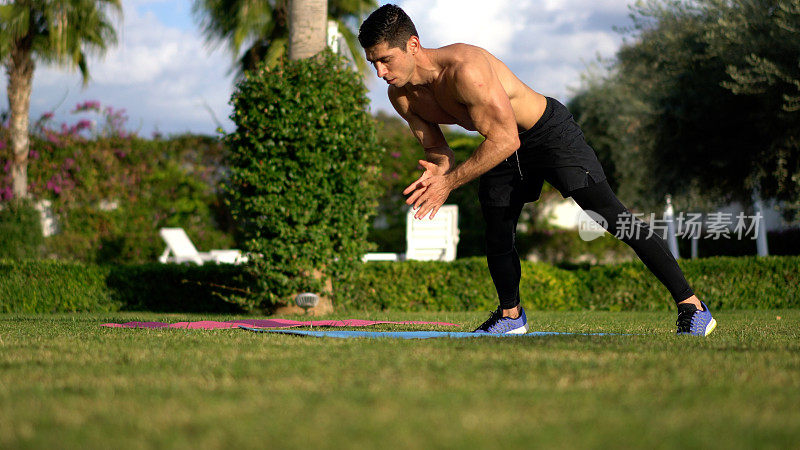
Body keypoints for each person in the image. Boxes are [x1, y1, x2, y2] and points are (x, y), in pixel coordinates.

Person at [357, 4, 717, 336]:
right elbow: (439, 149)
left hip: (546, 133)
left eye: (386, 60)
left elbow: (507, 139)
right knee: (497, 227)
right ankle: (511, 316)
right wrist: (438, 172)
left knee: (610, 215)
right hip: (499, 140)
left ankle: (694, 307)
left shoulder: (466, 71)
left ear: (414, 45)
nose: (380, 72)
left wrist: (449, 183)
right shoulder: (402, 96)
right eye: (374, 63)